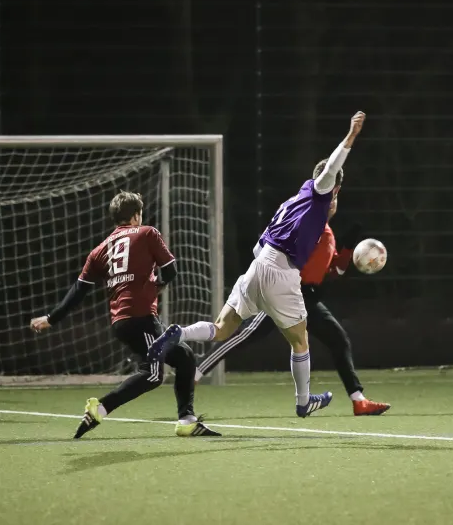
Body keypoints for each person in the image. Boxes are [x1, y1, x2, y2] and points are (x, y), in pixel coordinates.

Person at [149, 111, 366, 417]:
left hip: (258, 265)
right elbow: (332, 167)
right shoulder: (319, 194)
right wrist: (351, 136)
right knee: (300, 341)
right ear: (334, 188)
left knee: (222, 328)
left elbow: (257, 245)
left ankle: (179, 334)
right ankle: (303, 401)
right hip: (281, 272)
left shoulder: (292, 201)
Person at [30, 191, 219, 438]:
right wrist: (159, 283)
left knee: (183, 356)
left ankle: (187, 420)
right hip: (141, 318)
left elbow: (79, 291)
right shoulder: (147, 233)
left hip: (121, 320)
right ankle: (100, 409)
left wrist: (51, 319)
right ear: (136, 215)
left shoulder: (99, 250)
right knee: (152, 375)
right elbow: (171, 270)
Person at [195, 196, 390, 416]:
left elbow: (333, 271)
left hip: (307, 299)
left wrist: (346, 252)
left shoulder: (327, 233)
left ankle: (358, 400)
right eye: (331, 196)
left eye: (337, 197)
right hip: (286, 294)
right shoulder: (309, 225)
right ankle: (195, 372)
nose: (334, 202)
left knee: (338, 340)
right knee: (242, 336)